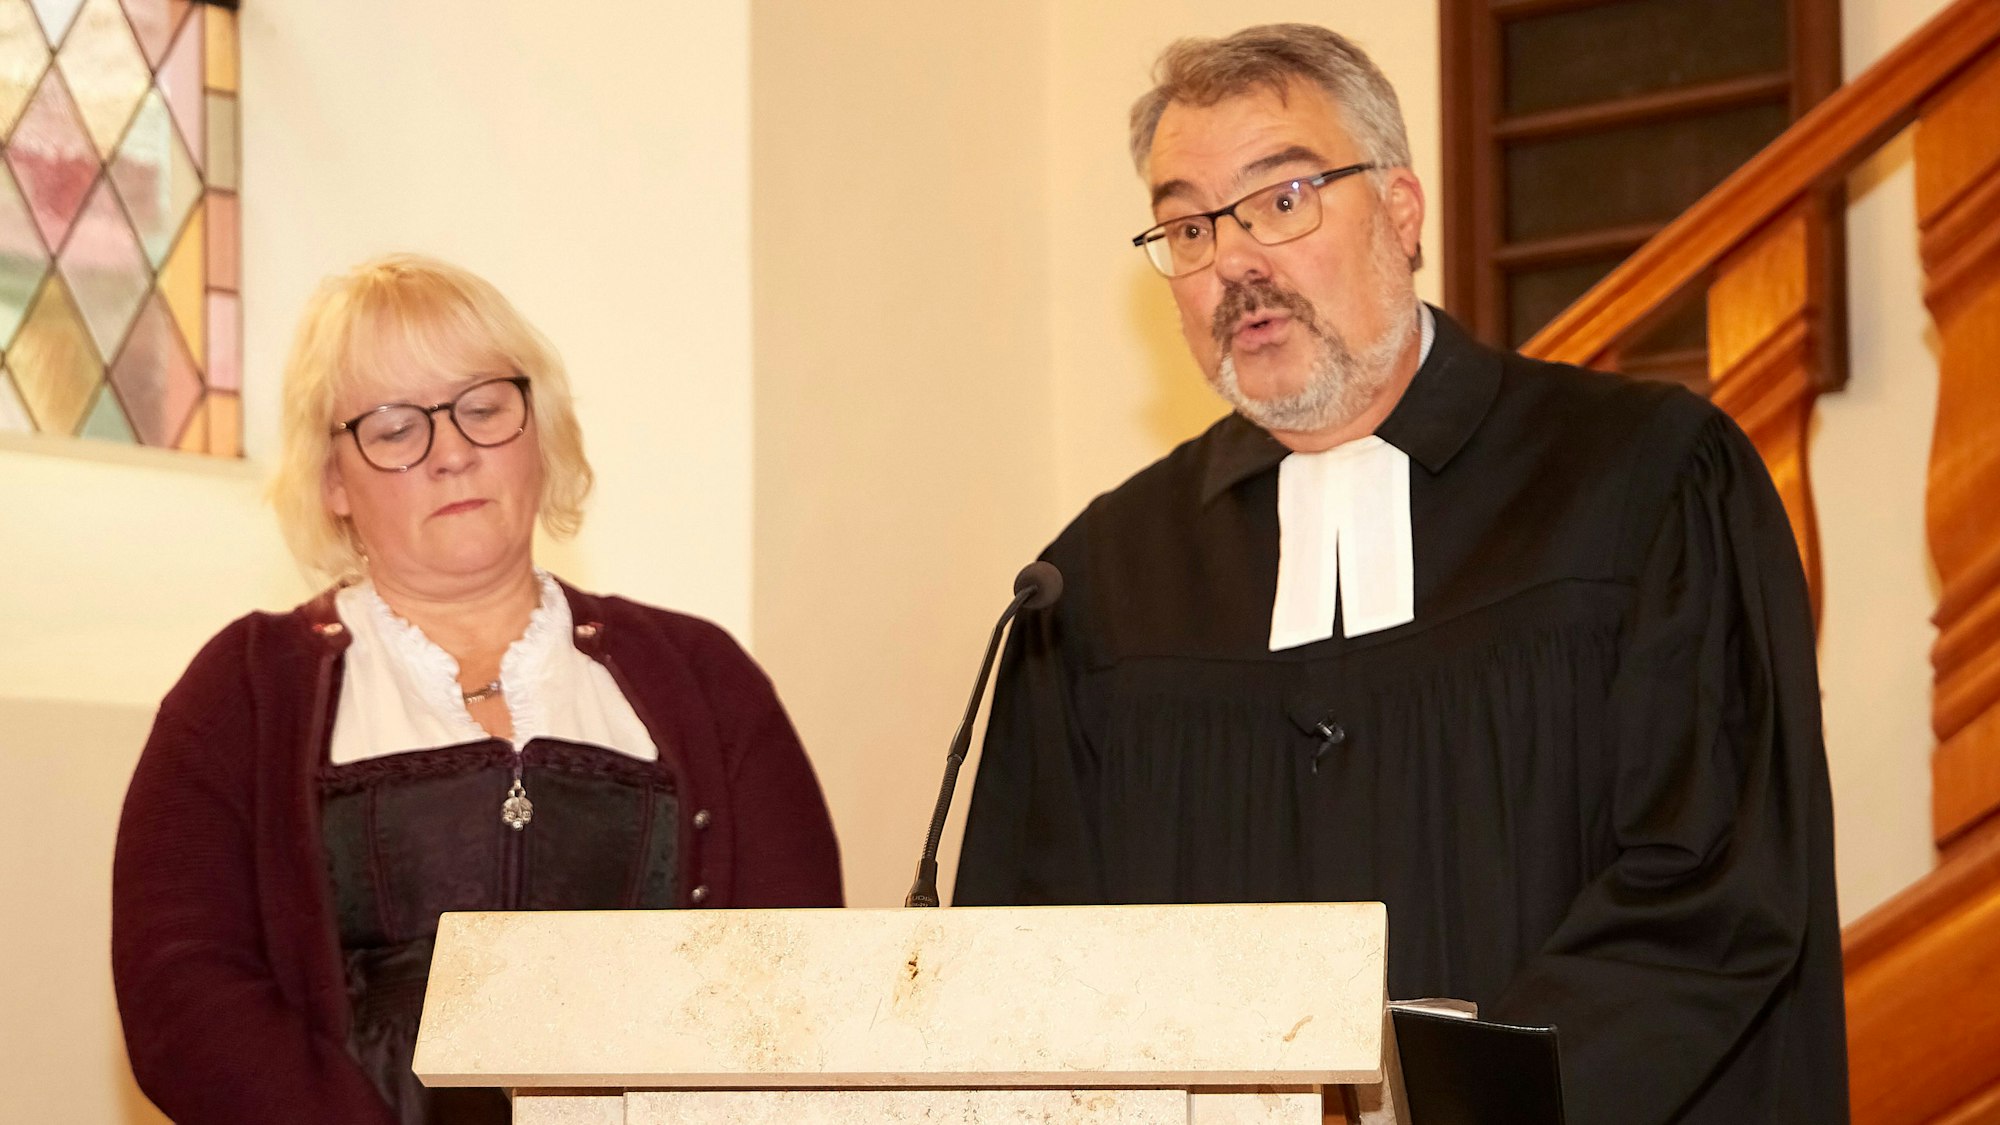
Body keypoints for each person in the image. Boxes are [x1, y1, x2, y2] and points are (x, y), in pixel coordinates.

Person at [953, 24, 1846, 1125]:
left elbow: (1713, 885)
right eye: (1188, 226)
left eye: (1282, 200)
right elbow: (1030, 965)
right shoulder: (1099, 584)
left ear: (1402, 211)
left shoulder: (1643, 485)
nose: (1233, 262)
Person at [112, 255, 843, 1125]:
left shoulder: (705, 679)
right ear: (333, 478)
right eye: (395, 428)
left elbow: (794, 980)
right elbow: (183, 989)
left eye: (484, 409)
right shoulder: (245, 690)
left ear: (540, 429)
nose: (452, 453)